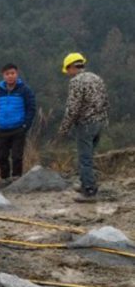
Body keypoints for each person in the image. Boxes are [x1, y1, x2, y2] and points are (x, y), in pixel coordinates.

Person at [58, 52, 109, 202]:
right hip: (99, 122)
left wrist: (64, 128)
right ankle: (86, 182)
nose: (67, 74)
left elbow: (73, 108)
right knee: (89, 155)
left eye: (67, 70)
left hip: (85, 124)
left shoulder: (76, 82)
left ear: (72, 67)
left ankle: (89, 191)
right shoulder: (96, 78)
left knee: (84, 157)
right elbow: (106, 101)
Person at [0, 63, 36, 185]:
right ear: (3, 75)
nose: (10, 76)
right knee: (2, 156)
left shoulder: (24, 90)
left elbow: (31, 108)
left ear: (17, 74)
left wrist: (25, 125)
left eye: (12, 73)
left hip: (18, 129)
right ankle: (4, 179)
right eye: (7, 74)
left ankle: (16, 179)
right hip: (1, 129)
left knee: (17, 156)